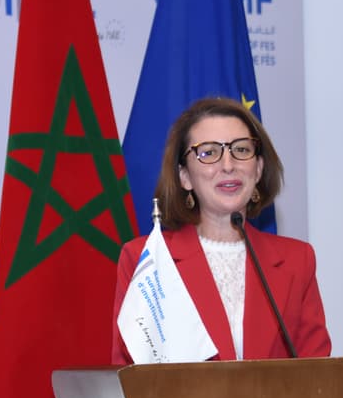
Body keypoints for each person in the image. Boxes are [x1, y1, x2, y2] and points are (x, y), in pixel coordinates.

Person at [113, 96, 331, 362]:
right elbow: (129, 377)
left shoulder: (297, 261)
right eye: (208, 152)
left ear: (259, 168)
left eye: (241, 150)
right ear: (184, 176)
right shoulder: (149, 260)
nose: (228, 165)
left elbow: (317, 376)